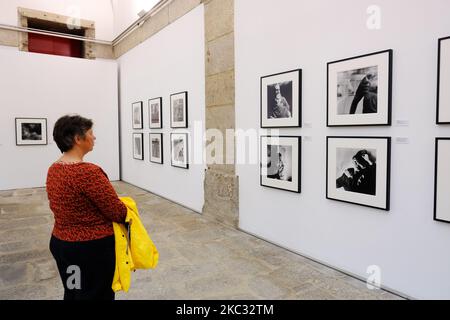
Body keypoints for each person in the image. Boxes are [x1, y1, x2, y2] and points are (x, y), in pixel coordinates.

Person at [46, 115, 127, 300]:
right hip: (90, 250)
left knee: (74, 291)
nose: (94, 137)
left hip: (62, 244)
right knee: (97, 295)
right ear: (78, 139)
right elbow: (116, 212)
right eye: (91, 133)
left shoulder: (54, 168)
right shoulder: (88, 172)